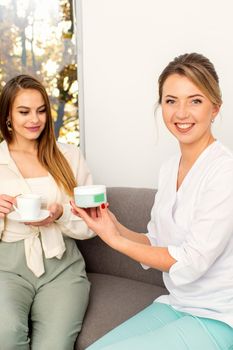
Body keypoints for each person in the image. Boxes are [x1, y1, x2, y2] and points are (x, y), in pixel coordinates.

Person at [70, 53, 233, 349]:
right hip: (177, 303)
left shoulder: (225, 172)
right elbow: (156, 240)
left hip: (221, 315)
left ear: (215, 108)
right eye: (171, 101)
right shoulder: (169, 168)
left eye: (195, 100)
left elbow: (192, 262)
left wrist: (117, 242)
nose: (181, 113)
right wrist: (113, 227)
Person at [0, 74, 95, 350]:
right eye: (24, 111)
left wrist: (61, 213)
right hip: (6, 267)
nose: (35, 119)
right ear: (7, 115)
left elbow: (93, 223)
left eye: (41, 110)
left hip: (61, 267)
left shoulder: (68, 156)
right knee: (5, 336)